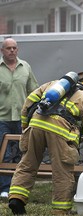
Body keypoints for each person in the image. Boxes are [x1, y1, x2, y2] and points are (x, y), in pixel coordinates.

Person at [8, 71, 83, 215]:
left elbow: (28, 102)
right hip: (61, 132)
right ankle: (60, 210)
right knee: (62, 172)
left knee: (27, 163)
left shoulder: (52, 84)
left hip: (36, 124)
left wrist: (25, 125)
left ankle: (16, 198)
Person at [0, 37, 38, 198]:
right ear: (2, 51)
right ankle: (5, 188)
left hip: (22, 119)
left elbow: (34, 91)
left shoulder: (26, 67)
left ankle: (20, 187)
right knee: (5, 154)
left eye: (14, 48)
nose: (12, 51)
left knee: (22, 153)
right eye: (8, 48)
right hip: (2, 118)